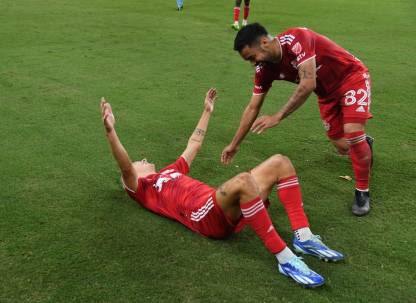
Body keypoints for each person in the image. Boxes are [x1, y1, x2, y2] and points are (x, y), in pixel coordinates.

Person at [100, 89, 344, 288]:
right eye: (137, 162)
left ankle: (303, 237)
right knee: (243, 181)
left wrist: (207, 112)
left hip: (216, 203)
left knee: (281, 162)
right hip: (202, 215)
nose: (141, 159)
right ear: (131, 180)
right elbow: (124, 166)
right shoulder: (142, 188)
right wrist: (111, 132)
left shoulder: (169, 171)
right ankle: (286, 259)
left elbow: (194, 143)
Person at [221, 23, 374, 216]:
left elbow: (308, 83)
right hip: (326, 94)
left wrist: (278, 116)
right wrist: (234, 144)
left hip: (351, 77)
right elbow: (253, 107)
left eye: (253, 57)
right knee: (343, 146)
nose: (254, 63)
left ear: (264, 42)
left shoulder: (297, 38)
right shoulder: (264, 70)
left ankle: (362, 191)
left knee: (353, 132)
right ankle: (364, 143)